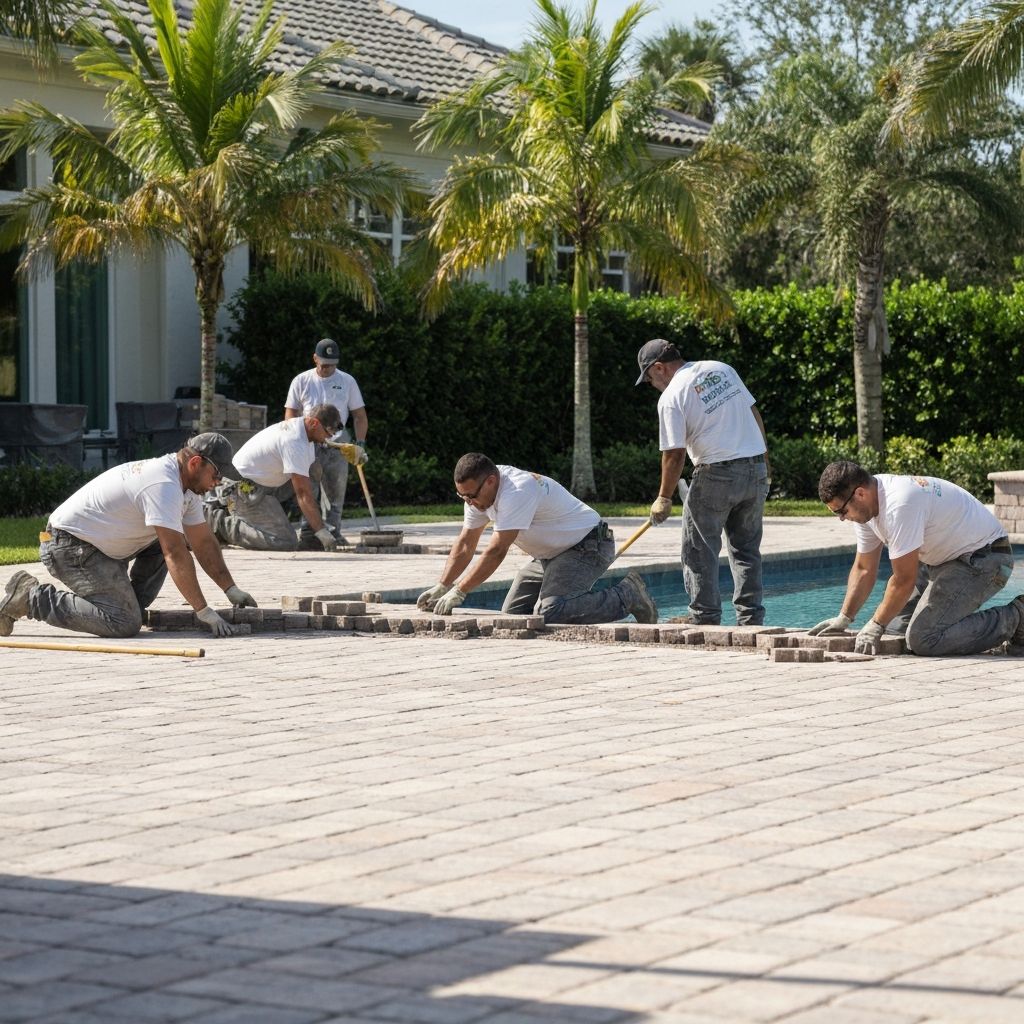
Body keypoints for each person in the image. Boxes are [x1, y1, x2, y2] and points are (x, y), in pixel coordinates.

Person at [0, 433, 255, 640]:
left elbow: (203, 542)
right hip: (69, 547)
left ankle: (125, 607)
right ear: (195, 463)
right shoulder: (163, 485)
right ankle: (31, 597)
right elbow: (174, 553)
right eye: (216, 474)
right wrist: (203, 610)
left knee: (166, 540)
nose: (218, 482)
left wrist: (230, 589)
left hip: (97, 546)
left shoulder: (186, 489)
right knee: (123, 623)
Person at [811, 461, 1024, 656]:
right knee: (895, 628)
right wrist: (845, 617)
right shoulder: (868, 508)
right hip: (943, 561)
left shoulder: (900, 504)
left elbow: (904, 580)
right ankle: (963, 628)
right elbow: (864, 568)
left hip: (985, 558)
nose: (841, 518)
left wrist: (875, 624)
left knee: (923, 639)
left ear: (859, 494)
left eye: (841, 510)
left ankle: (1017, 616)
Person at [416, 453, 658, 624]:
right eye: (463, 497)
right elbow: (466, 542)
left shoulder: (517, 491)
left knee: (551, 611)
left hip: (588, 543)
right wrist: (443, 585)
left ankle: (628, 595)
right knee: (512, 617)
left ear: (490, 481)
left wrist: (460, 591)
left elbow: (496, 551)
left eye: (471, 496)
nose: (469, 503)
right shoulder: (478, 494)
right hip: (551, 554)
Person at [636, 338, 770, 626]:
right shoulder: (721, 369)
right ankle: (750, 619)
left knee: (699, 548)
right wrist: (765, 462)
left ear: (659, 368)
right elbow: (753, 413)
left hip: (716, 474)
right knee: (746, 548)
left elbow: (674, 453)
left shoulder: (671, 396)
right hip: (754, 468)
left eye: (649, 379)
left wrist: (664, 497)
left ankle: (704, 617)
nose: (652, 385)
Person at [205, 403, 342, 552]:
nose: (328, 438)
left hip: (262, 484)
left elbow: (306, 481)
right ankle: (217, 522)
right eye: (328, 433)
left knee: (313, 468)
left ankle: (309, 536)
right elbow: (303, 494)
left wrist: (346, 448)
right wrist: (322, 531)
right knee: (284, 541)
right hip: (242, 490)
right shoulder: (294, 441)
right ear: (314, 423)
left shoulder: (304, 431)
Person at [284, 338, 368, 544]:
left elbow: (359, 416)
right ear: (315, 359)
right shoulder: (301, 381)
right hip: (309, 443)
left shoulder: (347, 381)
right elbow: (290, 412)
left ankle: (333, 533)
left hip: (337, 442)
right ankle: (308, 533)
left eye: (332, 365)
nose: (328, 369)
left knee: (335, 491)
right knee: (307, 488)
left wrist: (360, 443)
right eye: (324, 365)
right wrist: (294, 439)